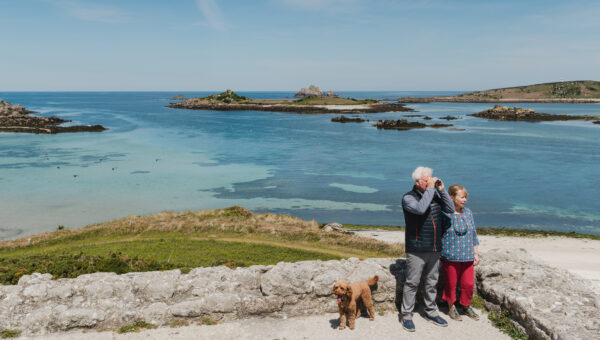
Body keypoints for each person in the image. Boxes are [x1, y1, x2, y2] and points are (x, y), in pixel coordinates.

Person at [400, 166, 455, 332]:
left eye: (431, 178)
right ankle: (406, 315)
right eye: (427, 179)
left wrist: (442, 190)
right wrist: (431, 190)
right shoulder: (408, 198)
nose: (430, 181)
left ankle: (431, 311)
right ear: (417, 182)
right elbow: (420, 209)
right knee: (412, 282)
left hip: (435, 247)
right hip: (417, 248)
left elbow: (451, 209)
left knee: (432, 282)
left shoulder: (434, 194)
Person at [441, 184, 480, 321]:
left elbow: (473, 234)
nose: (464, 200)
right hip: (450, 256)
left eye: (465, 197)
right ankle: (451, 307)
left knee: (468, 284)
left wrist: (475, 253)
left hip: (467, 255)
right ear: (452, 197)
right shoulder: (445, 213)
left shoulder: (468, 212)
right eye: (461, 197)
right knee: (451, 284)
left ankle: (466, 305)